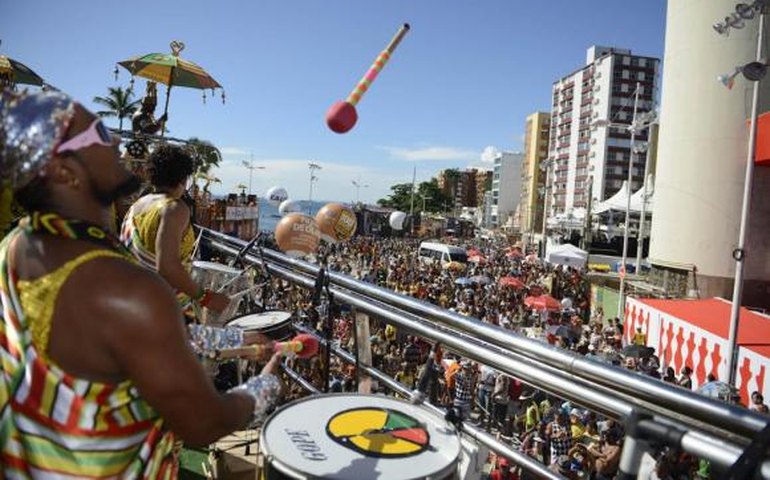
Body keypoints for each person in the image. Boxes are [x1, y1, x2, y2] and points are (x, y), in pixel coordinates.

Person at [0, 90, 281, 476]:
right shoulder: (125, 289)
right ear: (65, 172)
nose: (115, 139)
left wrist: (235, 340)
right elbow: (203, 421)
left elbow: (142, 338)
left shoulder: (15, 244)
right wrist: (263, 390)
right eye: (98, 133)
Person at [121, 144, 229, 316]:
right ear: (183, 178)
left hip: (131, 297)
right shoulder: (174, 208)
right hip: (160, 307)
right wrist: (206, 297)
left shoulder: (137, 205)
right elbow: (167, 266)